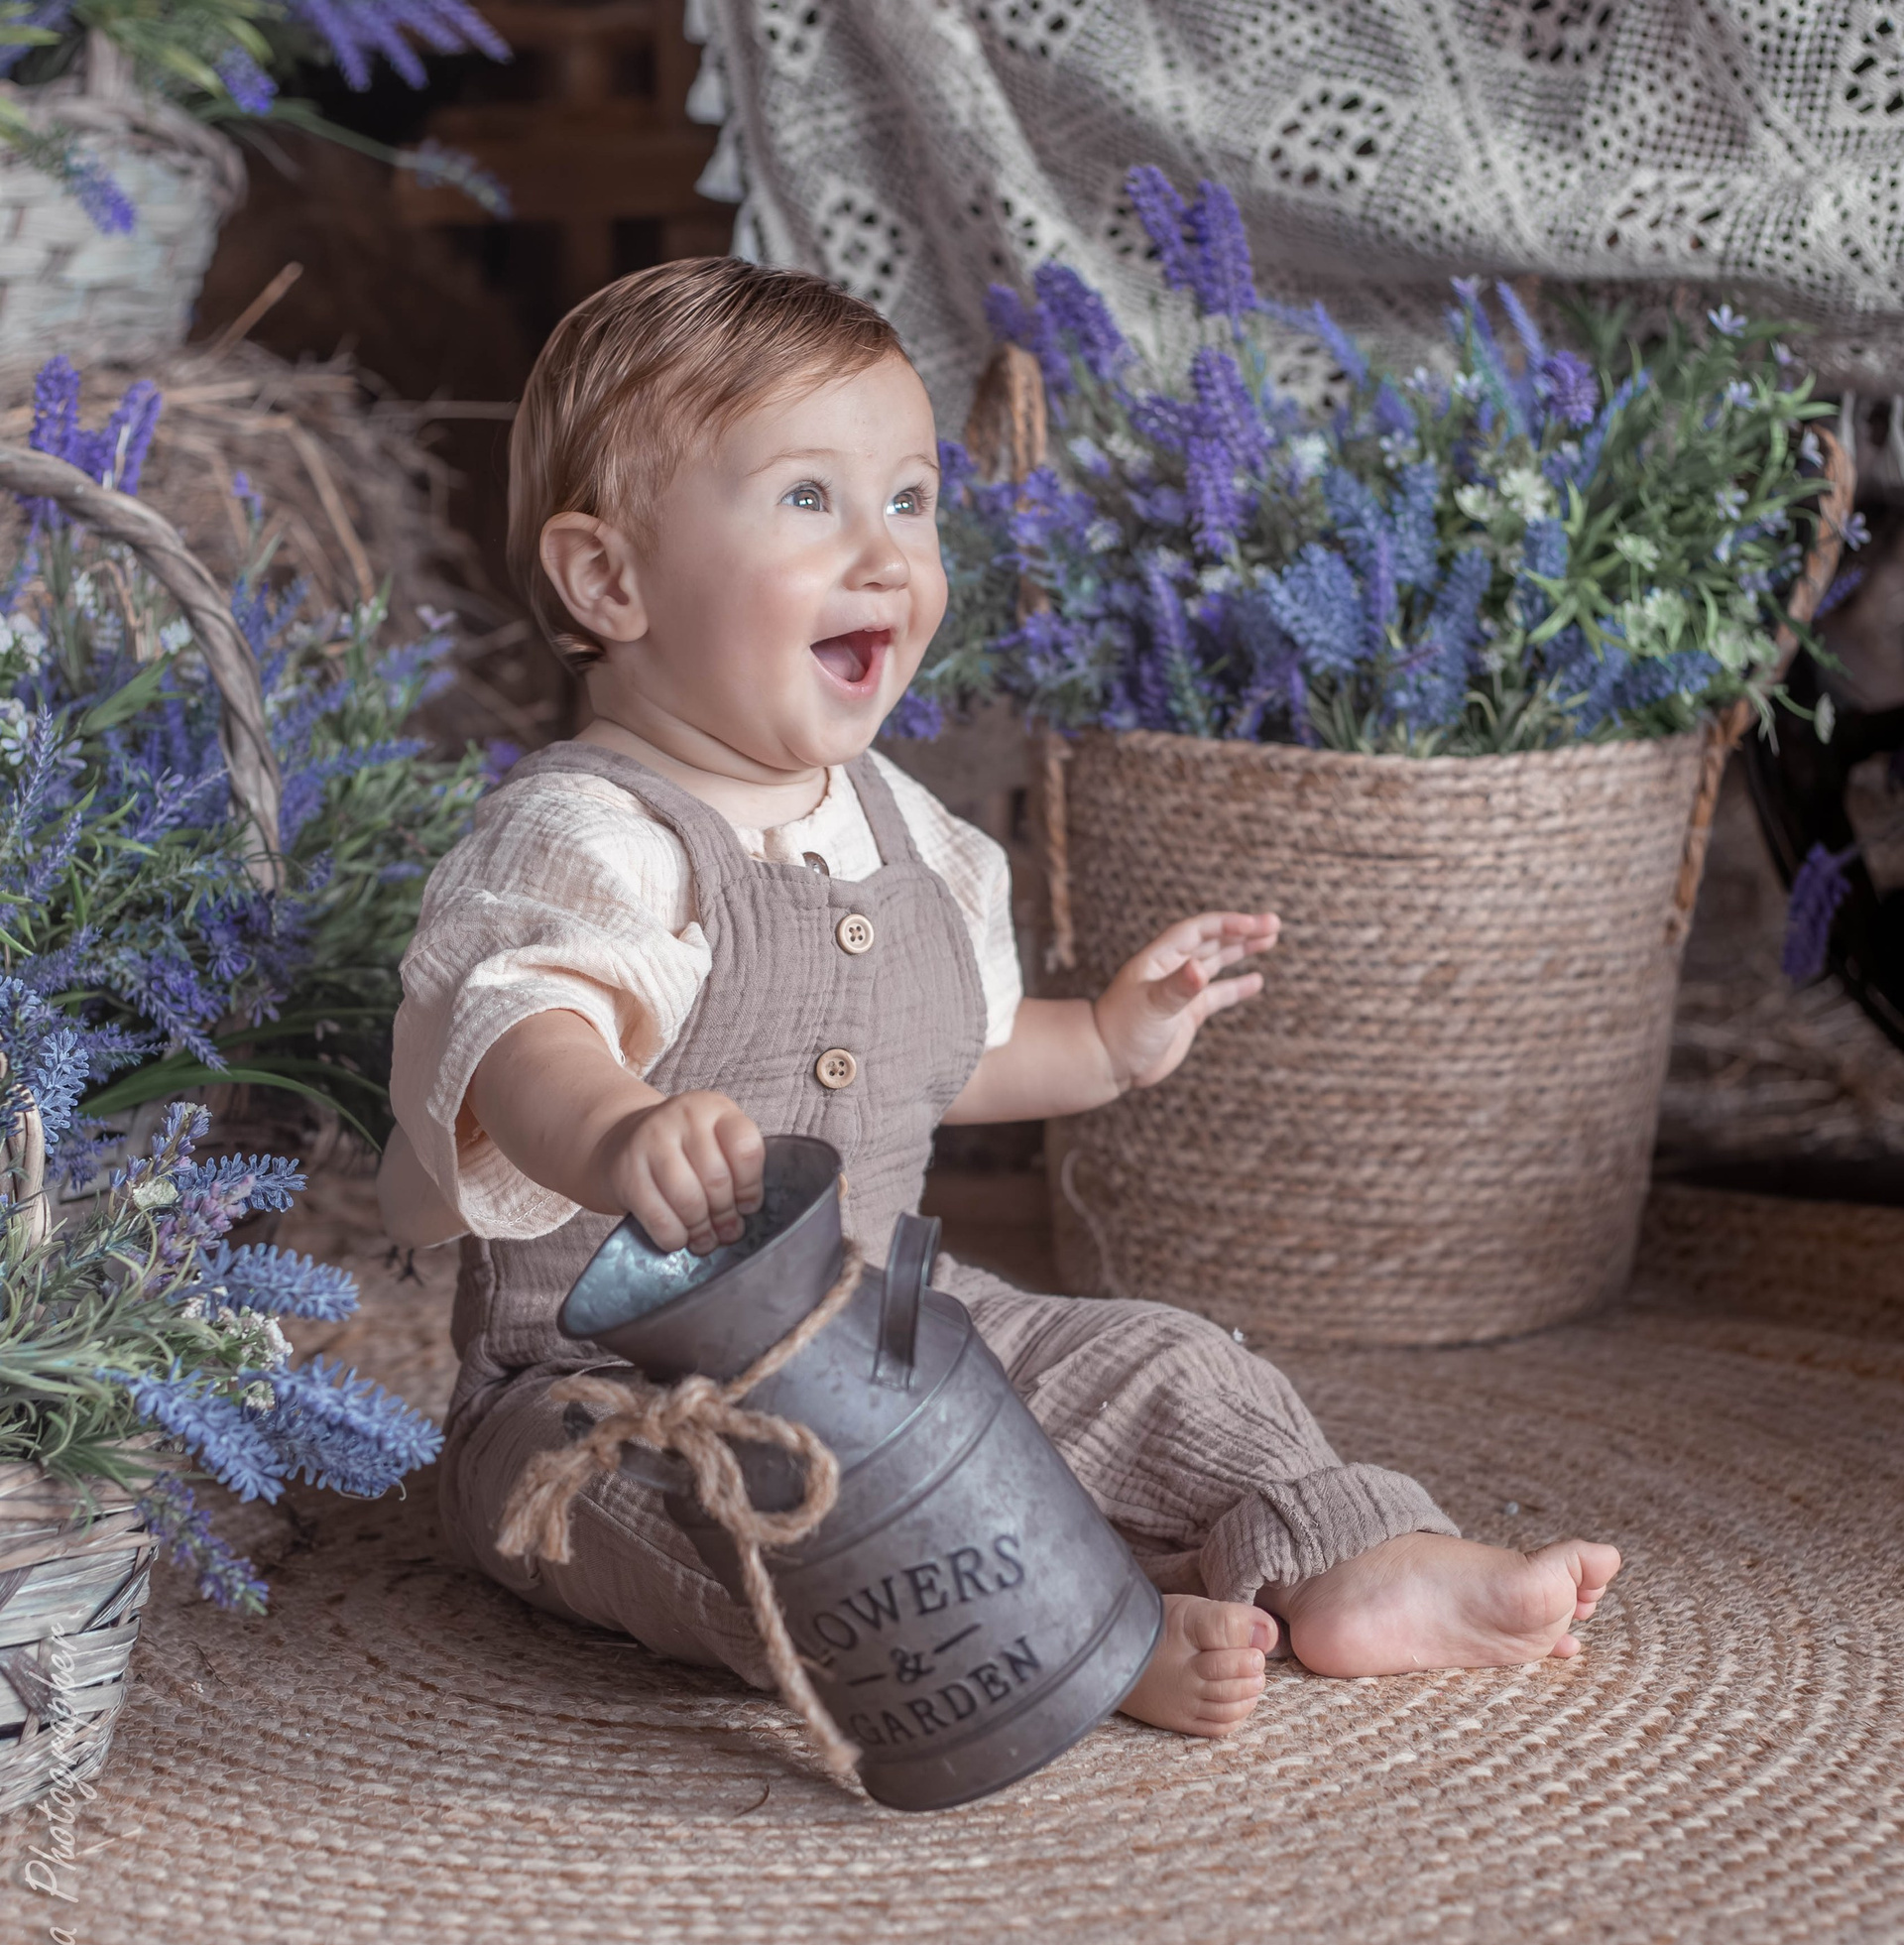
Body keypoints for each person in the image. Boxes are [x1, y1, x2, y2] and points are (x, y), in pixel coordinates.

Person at [381, 260, 1619, 1743]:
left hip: (892, 1319)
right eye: (808, 499)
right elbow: (517, 1034)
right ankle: (1077, 1631)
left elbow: (946, 1054)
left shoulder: (904, 829)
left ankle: (1351, 1554)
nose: (886, 554)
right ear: (609, 582)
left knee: (1163, 1368)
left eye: (911, 501)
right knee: (716, 1512)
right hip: (613, 1383)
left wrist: (1105, 1041)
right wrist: (612, 1130)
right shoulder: (585, 835)